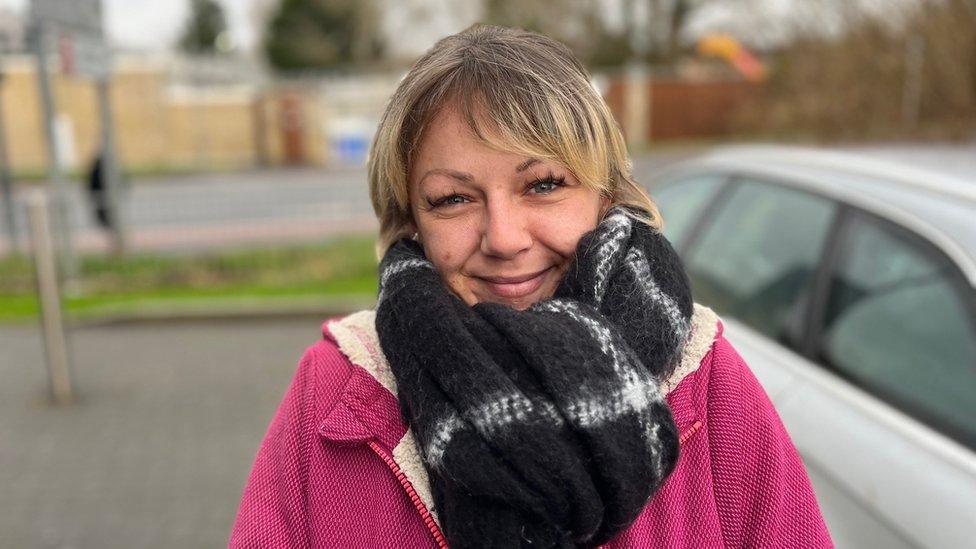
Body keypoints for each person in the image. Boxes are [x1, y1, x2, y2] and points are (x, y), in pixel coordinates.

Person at [230, 25, 832, 548]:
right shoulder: (339, 392)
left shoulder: (704, 380)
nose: (504, 237)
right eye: (453, 199)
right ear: (411, 219)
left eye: (543, 184)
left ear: (605, 196)